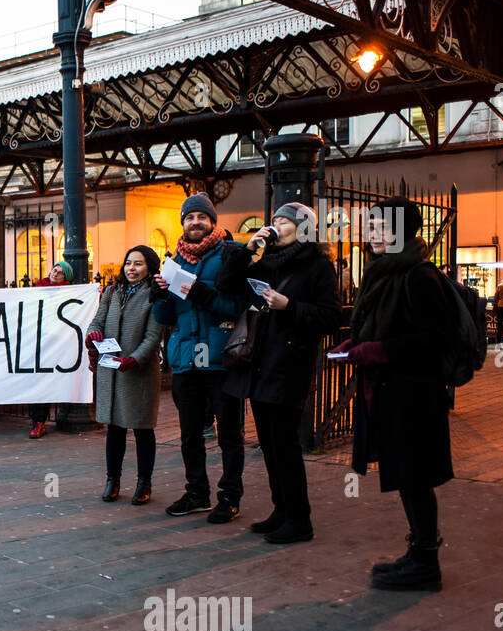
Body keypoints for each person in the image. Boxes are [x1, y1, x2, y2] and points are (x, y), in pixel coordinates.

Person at [334, 197, 453, 591]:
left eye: (382, 227)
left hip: (414, 397)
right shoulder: (383, 272)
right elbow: (380, 324)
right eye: (370, 226)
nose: (372, 234)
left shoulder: (419, 275)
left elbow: (432, 341)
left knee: (415, 477)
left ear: (402, 231)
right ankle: (418, 552)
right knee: (405, 475)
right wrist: (357, 342)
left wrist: (373, 351)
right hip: (389, 393)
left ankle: (426, 563)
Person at [218, 202, 340, 544]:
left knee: (285, 443)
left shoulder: (317, 266)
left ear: (303, 229)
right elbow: (226, 283)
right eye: (274, 220)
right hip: (259, 362)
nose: (276, 225)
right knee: (269, 444)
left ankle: (300, 520)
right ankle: (281, 510)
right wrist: (248, 248)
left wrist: (291, 307)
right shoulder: (265, 262)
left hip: (290, 365)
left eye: (284, 220)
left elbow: (331, 317)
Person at [150, 193, 247, 523]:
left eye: (201, 218)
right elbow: (165, 317)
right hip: (185, 360)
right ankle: (197, 493)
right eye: (189, 218)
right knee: (190, 433)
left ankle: (229, 496)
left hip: (221, 360)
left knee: (229, 435)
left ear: (212, 222)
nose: (195, 223)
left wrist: (202, 293)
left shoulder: (231, 255)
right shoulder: (172, 261)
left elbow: (238, 306)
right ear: (183, 223)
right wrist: (160, 295)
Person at [86, 245, 164, 505]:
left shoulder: (155, 295)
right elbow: (97, 321)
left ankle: (144, 482)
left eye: (138, 264)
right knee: (115, 429)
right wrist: (93, 334)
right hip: (111, 371)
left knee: (143, 429)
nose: (131, 268)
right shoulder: (112, 291)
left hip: (138, 372)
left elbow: (154, 337)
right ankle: (113, 480)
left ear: (150, 268)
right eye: (128, 263)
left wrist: (134, 359)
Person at [28, 261, 75, 438]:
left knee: (45, 380)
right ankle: (37, 421)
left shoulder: (69, 293)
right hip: (35, 340)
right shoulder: (39, 288)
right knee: (34, 379)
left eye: (60, 273)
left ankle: (40, 421)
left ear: (66, 278)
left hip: (55, 342)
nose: (55, 274)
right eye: (54, 270)